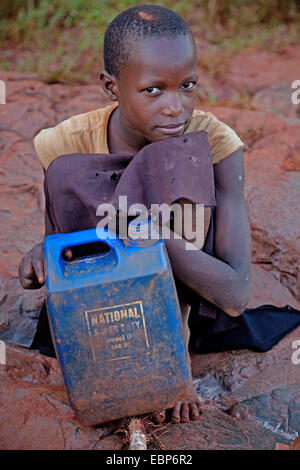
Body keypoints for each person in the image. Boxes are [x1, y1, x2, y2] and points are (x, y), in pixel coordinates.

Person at [18, 5, 251, 424]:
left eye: (188, 85)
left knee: (182, 162)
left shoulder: (212, 143)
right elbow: (65, 256)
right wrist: (42, 253)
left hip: (188, 291)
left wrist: (149, 233)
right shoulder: (66, 145)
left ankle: (171, 351)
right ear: (111, 86)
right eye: (152, 90)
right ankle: (106, 359)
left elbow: (234, 295)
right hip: (107, 310)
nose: (175, 108)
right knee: (70, 172)